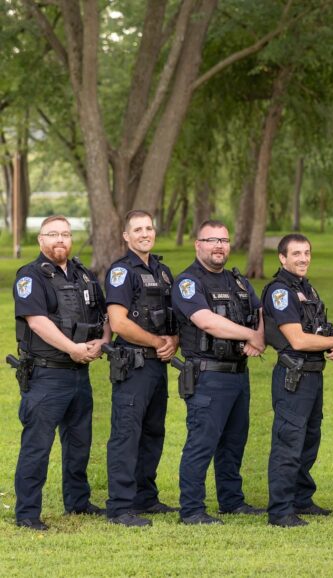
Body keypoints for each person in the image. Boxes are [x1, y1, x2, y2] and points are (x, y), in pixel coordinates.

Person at [12, 215, 110, 530]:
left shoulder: (84, 275)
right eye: (53, 234)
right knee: (37, 445)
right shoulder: (30, 277)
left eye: (65, 234)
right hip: (46, 375)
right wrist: (72, 348)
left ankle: (78, 502)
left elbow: (105, 316)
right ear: (41, 239)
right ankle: (27, 513)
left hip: (79, 374)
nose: (60, 240)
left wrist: (101, 342)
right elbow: (36, 322)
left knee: (79, 442)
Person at [172, 220, 265, 525]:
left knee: (234, 442)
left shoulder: (238, 281)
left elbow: (260, 312)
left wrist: (259, 336)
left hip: (238, 374)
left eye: (223, 241)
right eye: (211, 240)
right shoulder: (188, 282)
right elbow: (206, 321)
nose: (218, 246)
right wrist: (248, 335)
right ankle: (192, 509)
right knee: (202, 443)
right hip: (207, 375)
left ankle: (232, 501)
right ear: (197, 244)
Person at [262, 234, 333, 528]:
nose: (303, 258)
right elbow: (298, 339)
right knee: (288, 442)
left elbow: (323, 328)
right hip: (293, 376)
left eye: (307, 253)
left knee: (309, 440)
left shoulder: (307, 289)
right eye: (296, 253)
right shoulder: (280, 291)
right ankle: (281, 510)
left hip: (313, 375)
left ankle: (301, 499)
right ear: (282, 258)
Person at [104, 210, 180, 527]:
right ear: (126, 236)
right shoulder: (122, 272)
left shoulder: (162, 272)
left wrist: (172, 341)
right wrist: (155, 341)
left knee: (152, 432)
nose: (144, 234)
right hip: (133, 363)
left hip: (157, 365)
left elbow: (176, 315)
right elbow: (119, 322)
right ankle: (121, 506)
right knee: (127, 434)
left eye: (149, 228)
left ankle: (145, 497)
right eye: (137, 229)